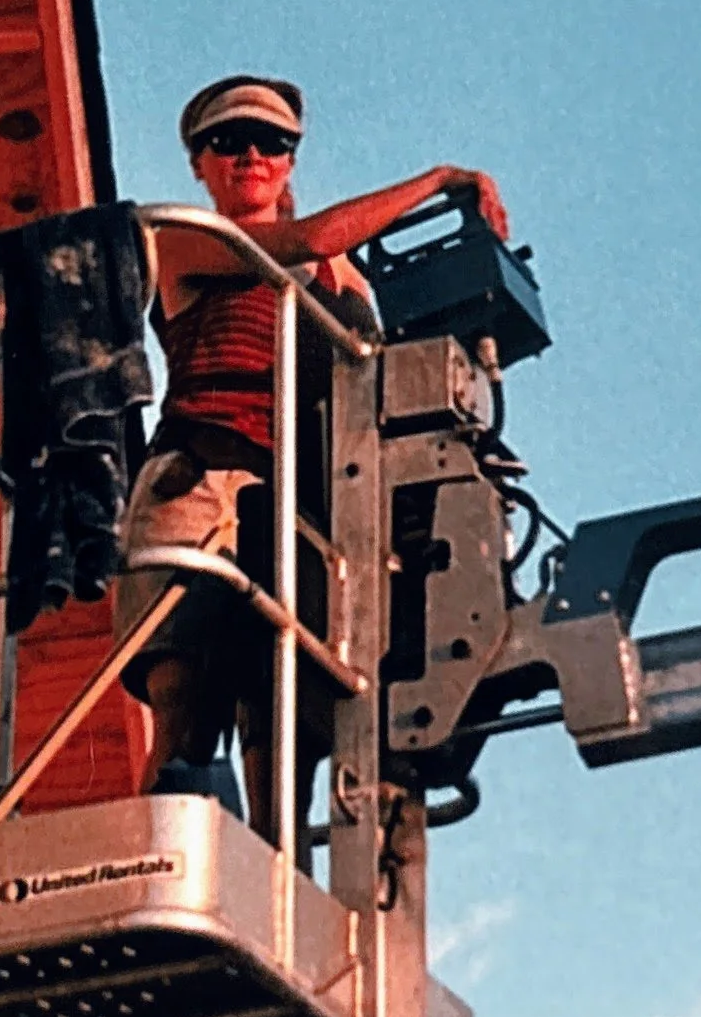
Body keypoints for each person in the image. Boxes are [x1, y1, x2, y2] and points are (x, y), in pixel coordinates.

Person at [119, 75, 511, 832]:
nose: (251, 156)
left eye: (272, 142)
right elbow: (301, 242)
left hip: (298, 500)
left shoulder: (344, 278)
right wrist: (437, 180)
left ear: (292, 160)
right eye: (227, 142)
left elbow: (383, 373)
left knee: (283, 716)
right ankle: (156, 865)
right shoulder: (185, 243)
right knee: (186, 706)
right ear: (199, 163)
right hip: (199, 481)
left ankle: (278, 887)